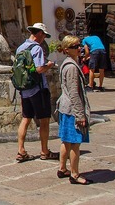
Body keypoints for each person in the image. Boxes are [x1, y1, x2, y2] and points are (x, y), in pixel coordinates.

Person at [16, 22, 59, 163]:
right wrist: (49, 65)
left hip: (25, 89)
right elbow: (39, 69)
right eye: (44, 36)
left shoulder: (20, 48)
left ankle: (21, 150)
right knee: (44, 120)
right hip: (38, 89)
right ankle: (44, 151)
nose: (44, 39)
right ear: (39, 34)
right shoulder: (37, 49)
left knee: (26, 118)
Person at [56, 35, 92, 185]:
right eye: (75, 46)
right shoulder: (71, 67)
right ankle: (74, 174)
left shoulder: (68, 63)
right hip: (71, 109)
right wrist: (80, 115)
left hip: (65, 107)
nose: (79, 48)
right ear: (66, 50)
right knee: (75, 143)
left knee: (66, 140)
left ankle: (62, 168)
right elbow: (74, 92)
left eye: (79, 45)